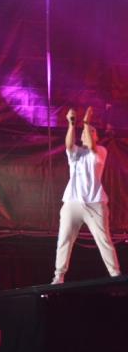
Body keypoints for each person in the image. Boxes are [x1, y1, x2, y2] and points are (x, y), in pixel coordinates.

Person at [53, 107, 122, 284]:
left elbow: (91, 146)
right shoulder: (75, 152)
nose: (86, 133)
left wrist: (86, 123)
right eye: (85, 132)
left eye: (91, 131)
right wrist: (71, 124)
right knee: (64, 239)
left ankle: (115, 275)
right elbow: (68, 145)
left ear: (96, 136)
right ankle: (59, 275)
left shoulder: (100, 151)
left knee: (103, 240)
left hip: (95, 203)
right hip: (72, 202)